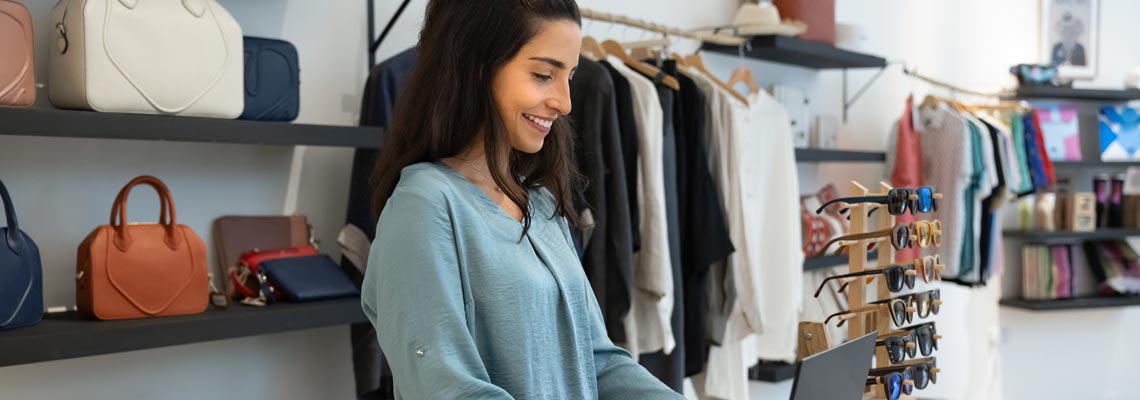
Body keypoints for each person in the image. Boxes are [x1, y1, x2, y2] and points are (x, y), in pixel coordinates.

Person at [360, 0, 685, 398]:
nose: (564, 103)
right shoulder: (423, 206)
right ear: (478, 66)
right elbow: (447, 387)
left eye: (569, 77)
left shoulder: (543, 206)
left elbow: (598, 362)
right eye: (543, 75)